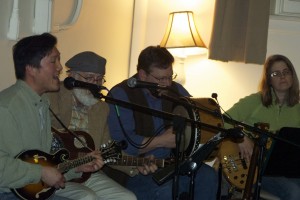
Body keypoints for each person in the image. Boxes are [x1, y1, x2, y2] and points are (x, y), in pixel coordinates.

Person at [107, 46, 219, 200]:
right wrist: (162, 141)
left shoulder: (176, 89)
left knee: (209, 177)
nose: (167, 84)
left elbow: (197, 118)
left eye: (170, 77)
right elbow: (121, 144)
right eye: (161, 79)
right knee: (164, 190)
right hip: (137, 169)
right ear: (142, 75)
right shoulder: (121, 94)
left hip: (172, 163)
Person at [0, 33, 102, 200]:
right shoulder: (6, 107)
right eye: (54, 61)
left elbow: (46, 166)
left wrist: (75, 169)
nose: (60, 67)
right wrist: (40, 172)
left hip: (31, 192)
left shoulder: (41, 103)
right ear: (31, 68)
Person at [47, 51, 137, 200]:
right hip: (55, 170)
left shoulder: (102, 108)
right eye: (89, 78)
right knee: (87, 197)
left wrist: (137, 165)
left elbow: (105, 148)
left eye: (99, 79)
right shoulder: (52, 95)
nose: (94, 85)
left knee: (127, 197)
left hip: (87, 172)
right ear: (71, 77)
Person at [224, 54, 300, 200]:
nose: (282, 76)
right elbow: (222, 120)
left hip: (285, 170)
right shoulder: (254, 101)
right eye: (275, 73)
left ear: (292, 75)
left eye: (286, 72)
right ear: (269, 80)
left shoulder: (298, 110)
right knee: (294, 193)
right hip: (254, 170)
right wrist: (241, 137)